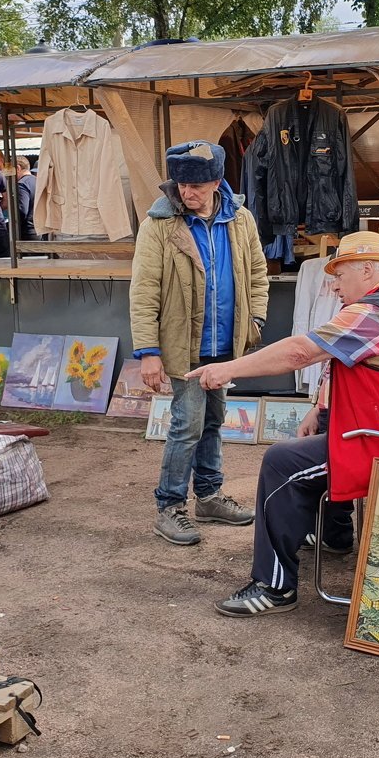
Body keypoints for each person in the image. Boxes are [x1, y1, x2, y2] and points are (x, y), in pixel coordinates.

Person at [187, 231, 379, 617]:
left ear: (367, 270)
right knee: (326, 429)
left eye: (341, 275)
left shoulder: (373, 312)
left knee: (281, 462)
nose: (333, 286)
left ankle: (275, 587)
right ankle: (334, 535)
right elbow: (348, 365)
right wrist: (319, 405)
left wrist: (226, 369)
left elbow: (301, 352)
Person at [130, 140, 269, 546]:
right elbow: (144, 291)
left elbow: (258, 272)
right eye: (182, 185)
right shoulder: (159, 224)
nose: (188, 193)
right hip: (184, 346)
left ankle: (208, 497)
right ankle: (170, 508)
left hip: (226, 345)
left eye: (198, 186)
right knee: (186, 425)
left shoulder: (240, 219)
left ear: (217, 182)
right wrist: (149, 352)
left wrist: (254, 322)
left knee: (212, 421)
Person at [15, 156, 39, 240]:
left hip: (28, 233)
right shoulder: (38, 181)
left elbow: (22, 210)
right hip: (40, 231)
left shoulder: (22, 184)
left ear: (18, 168)